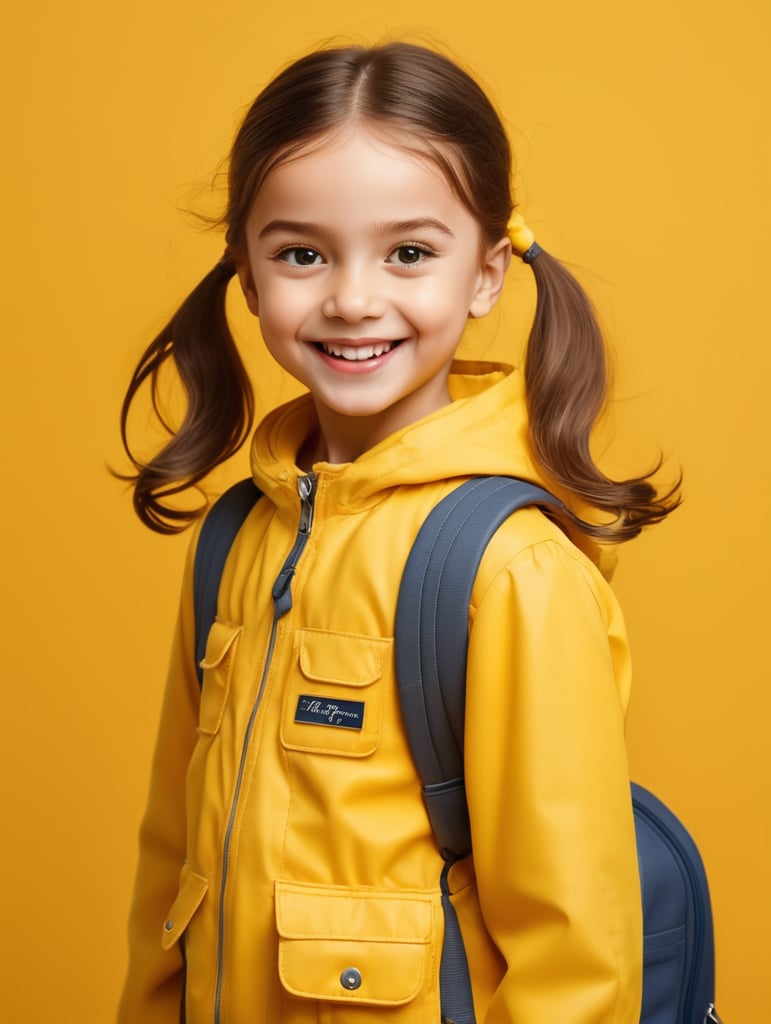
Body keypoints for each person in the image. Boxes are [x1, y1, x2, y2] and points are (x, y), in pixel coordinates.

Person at [117, 41, 679, 1024]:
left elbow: (576, 958)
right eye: (302, 253)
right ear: (247, 276)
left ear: (487, 274)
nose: (352, 298)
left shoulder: (509, 570)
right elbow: (172, 867)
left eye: (409, 253)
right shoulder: (235, 539)